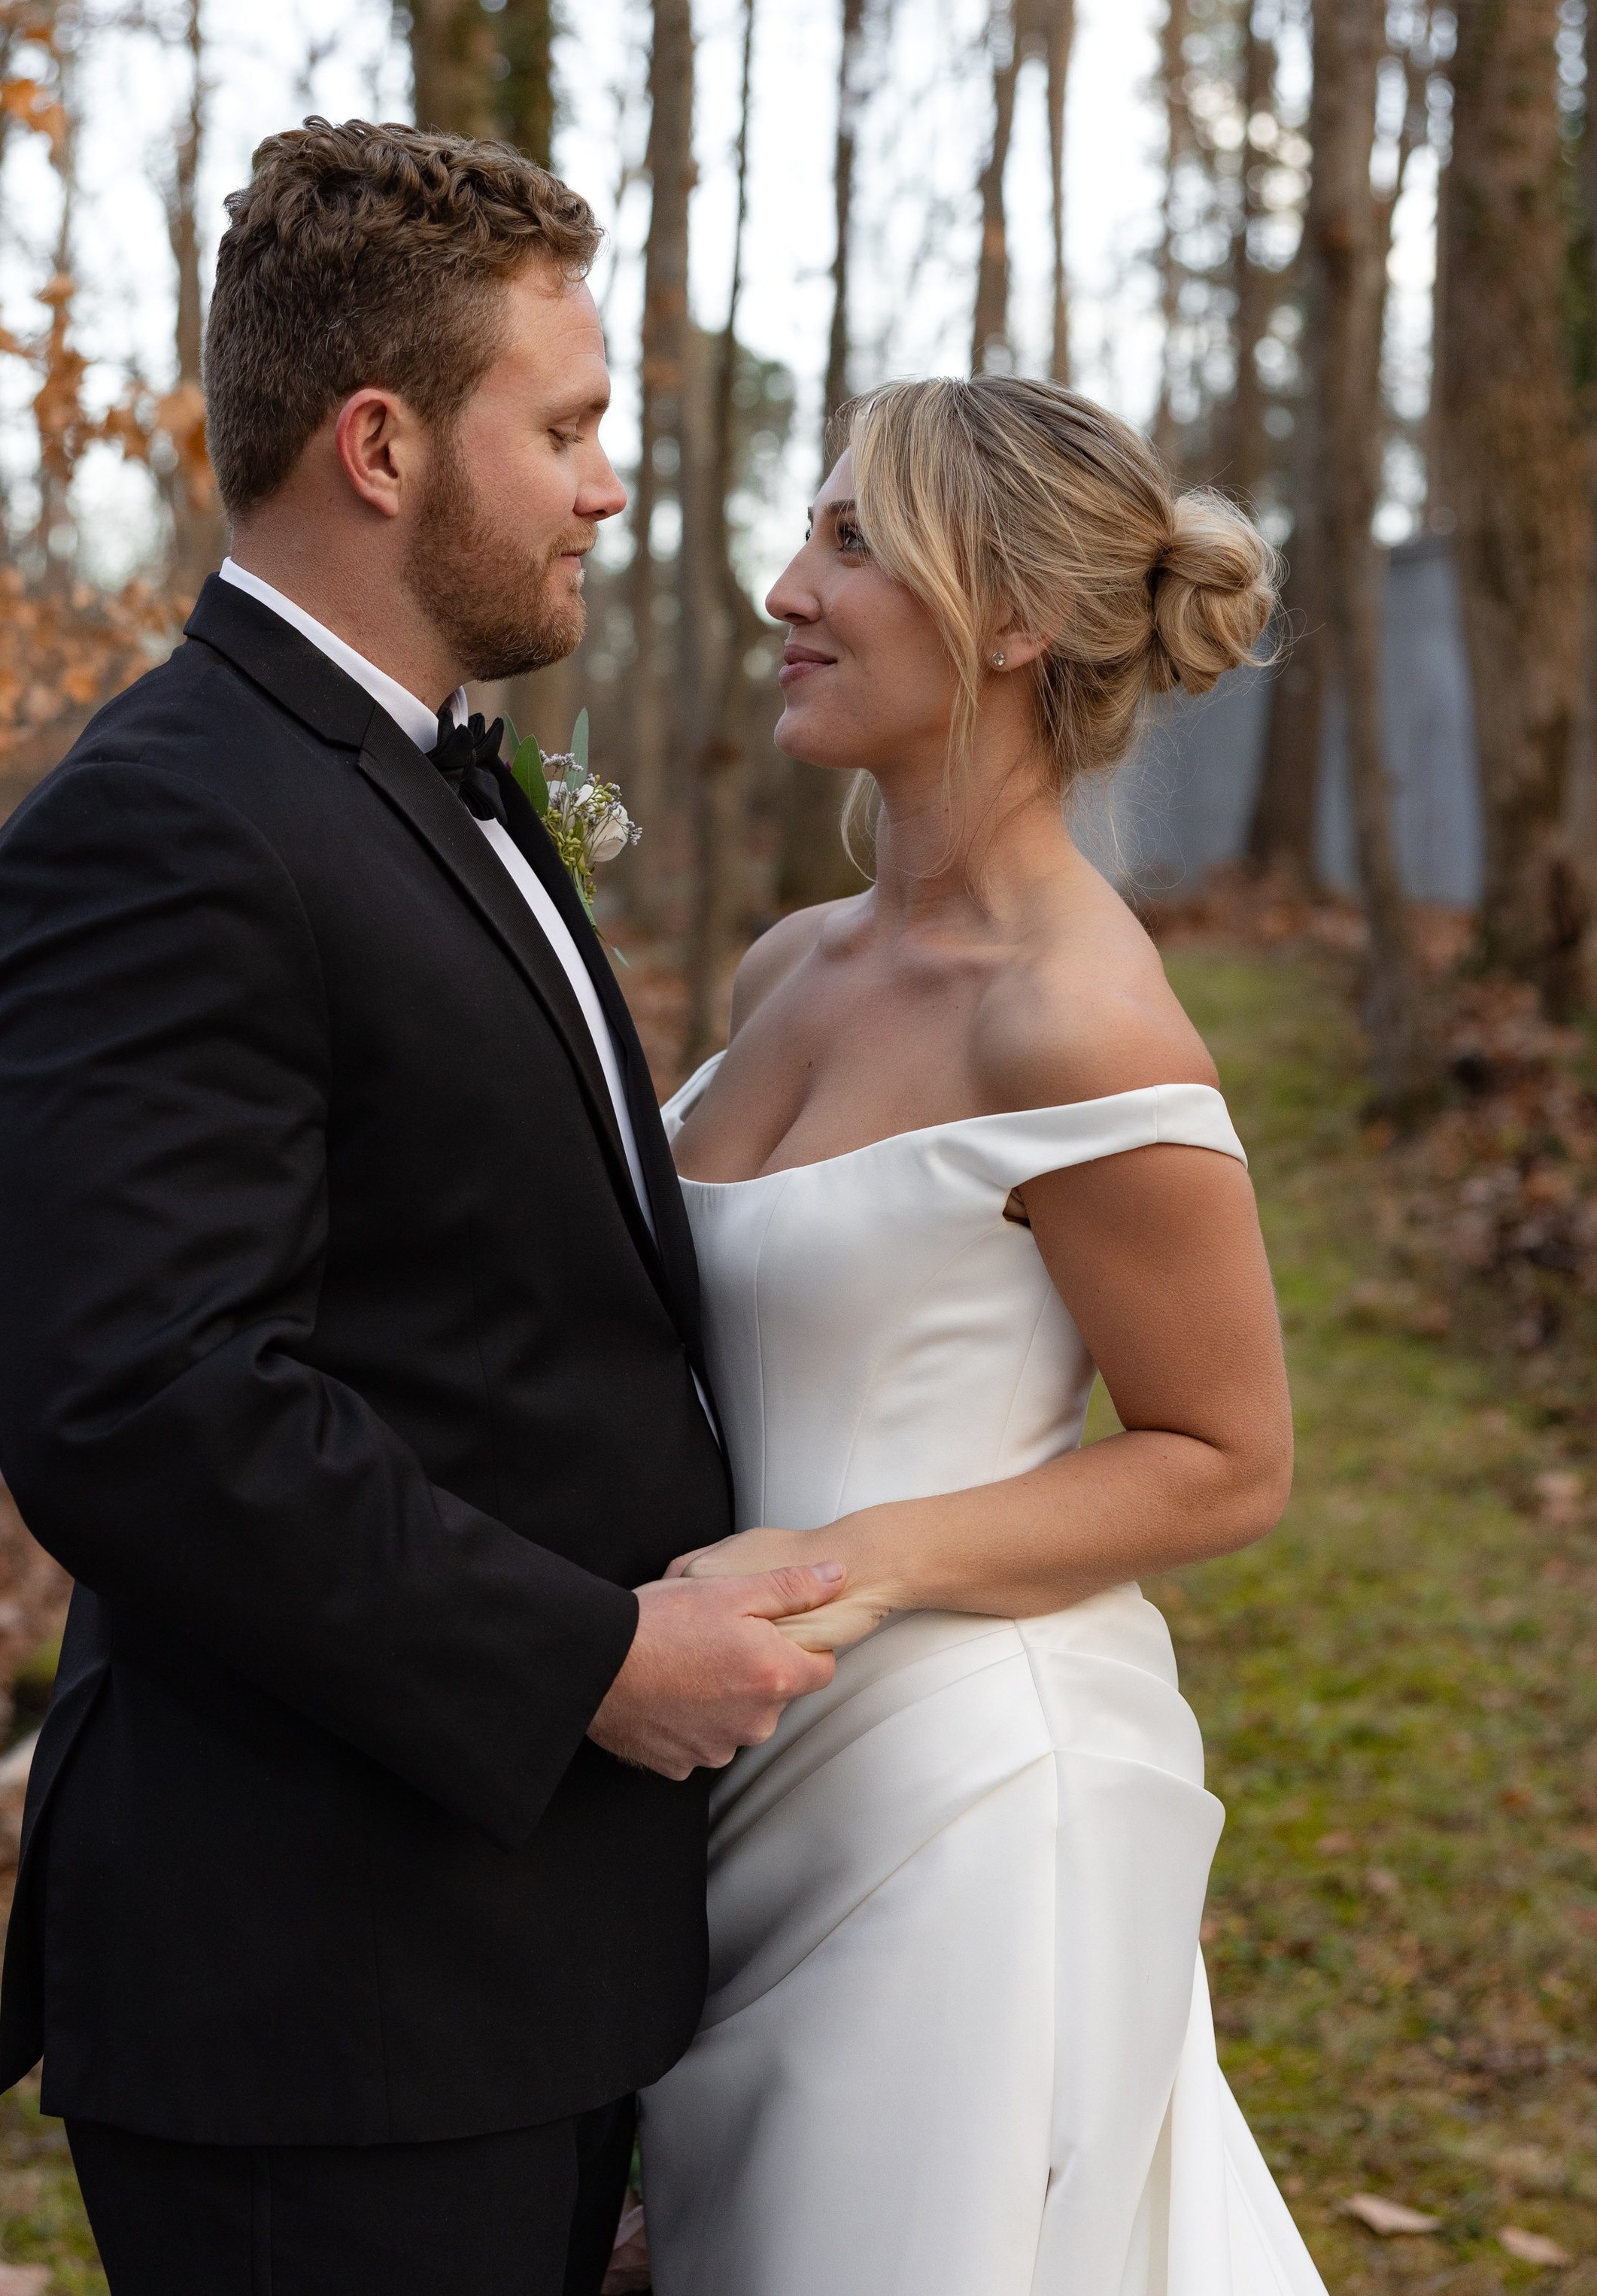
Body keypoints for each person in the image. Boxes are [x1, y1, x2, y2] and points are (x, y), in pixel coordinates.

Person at [0, 119, 848, 2296]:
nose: (610, 484)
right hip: (324, 1996)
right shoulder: (163, 828)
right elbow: (143, 1400)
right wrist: (596, 1656)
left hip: (505, 1959)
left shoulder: (408, 766)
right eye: (566, 425)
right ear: (379, 443)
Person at [638, 374, 1328, 2294]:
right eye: (808, 526)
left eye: (850, 542)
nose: (785, 583)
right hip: (724, 1773)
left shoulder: (1074, 1017)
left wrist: (851, 1566)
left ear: (1010, 620)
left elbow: (1226, 1457)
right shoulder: (789, 963)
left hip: (956, 1798)